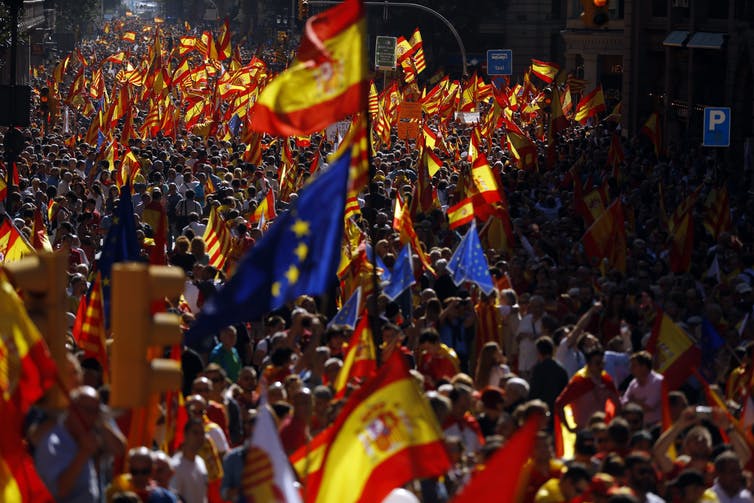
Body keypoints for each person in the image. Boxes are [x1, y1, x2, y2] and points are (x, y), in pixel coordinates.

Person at [35, 385, 126, 503]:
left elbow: (120, 450)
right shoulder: (53, 442)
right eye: (87, 410)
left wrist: (101, 424)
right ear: (71, 409)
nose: (92, 416)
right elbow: (59, 490)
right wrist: (83, 453)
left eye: (96, 411)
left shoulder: (89, 434)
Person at [555, 348, 622, 432]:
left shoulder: (606, 380)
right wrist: (569, 428)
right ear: (589, 364)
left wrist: (612, 425)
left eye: (603, 363)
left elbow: (618, 404)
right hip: (583, 431)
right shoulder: (579, 382)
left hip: (602, 429)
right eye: (598, 363)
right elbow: (559, 404)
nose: (601, 366)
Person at [621, 351, 664, 426]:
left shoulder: (658, 381)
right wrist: (640, 402)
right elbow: (624, 404)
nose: (630, 368)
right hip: (639, 426)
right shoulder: (633, 383)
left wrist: (632, 400)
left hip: (657, 426)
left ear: (644, 367)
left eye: (634, 365)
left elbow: (648, 407)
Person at [171, 419, 209, 503]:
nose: (200, 437)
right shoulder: (175, 466)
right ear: (185, 435)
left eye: (202, 433)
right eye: (195, 433)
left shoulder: (201, 462)